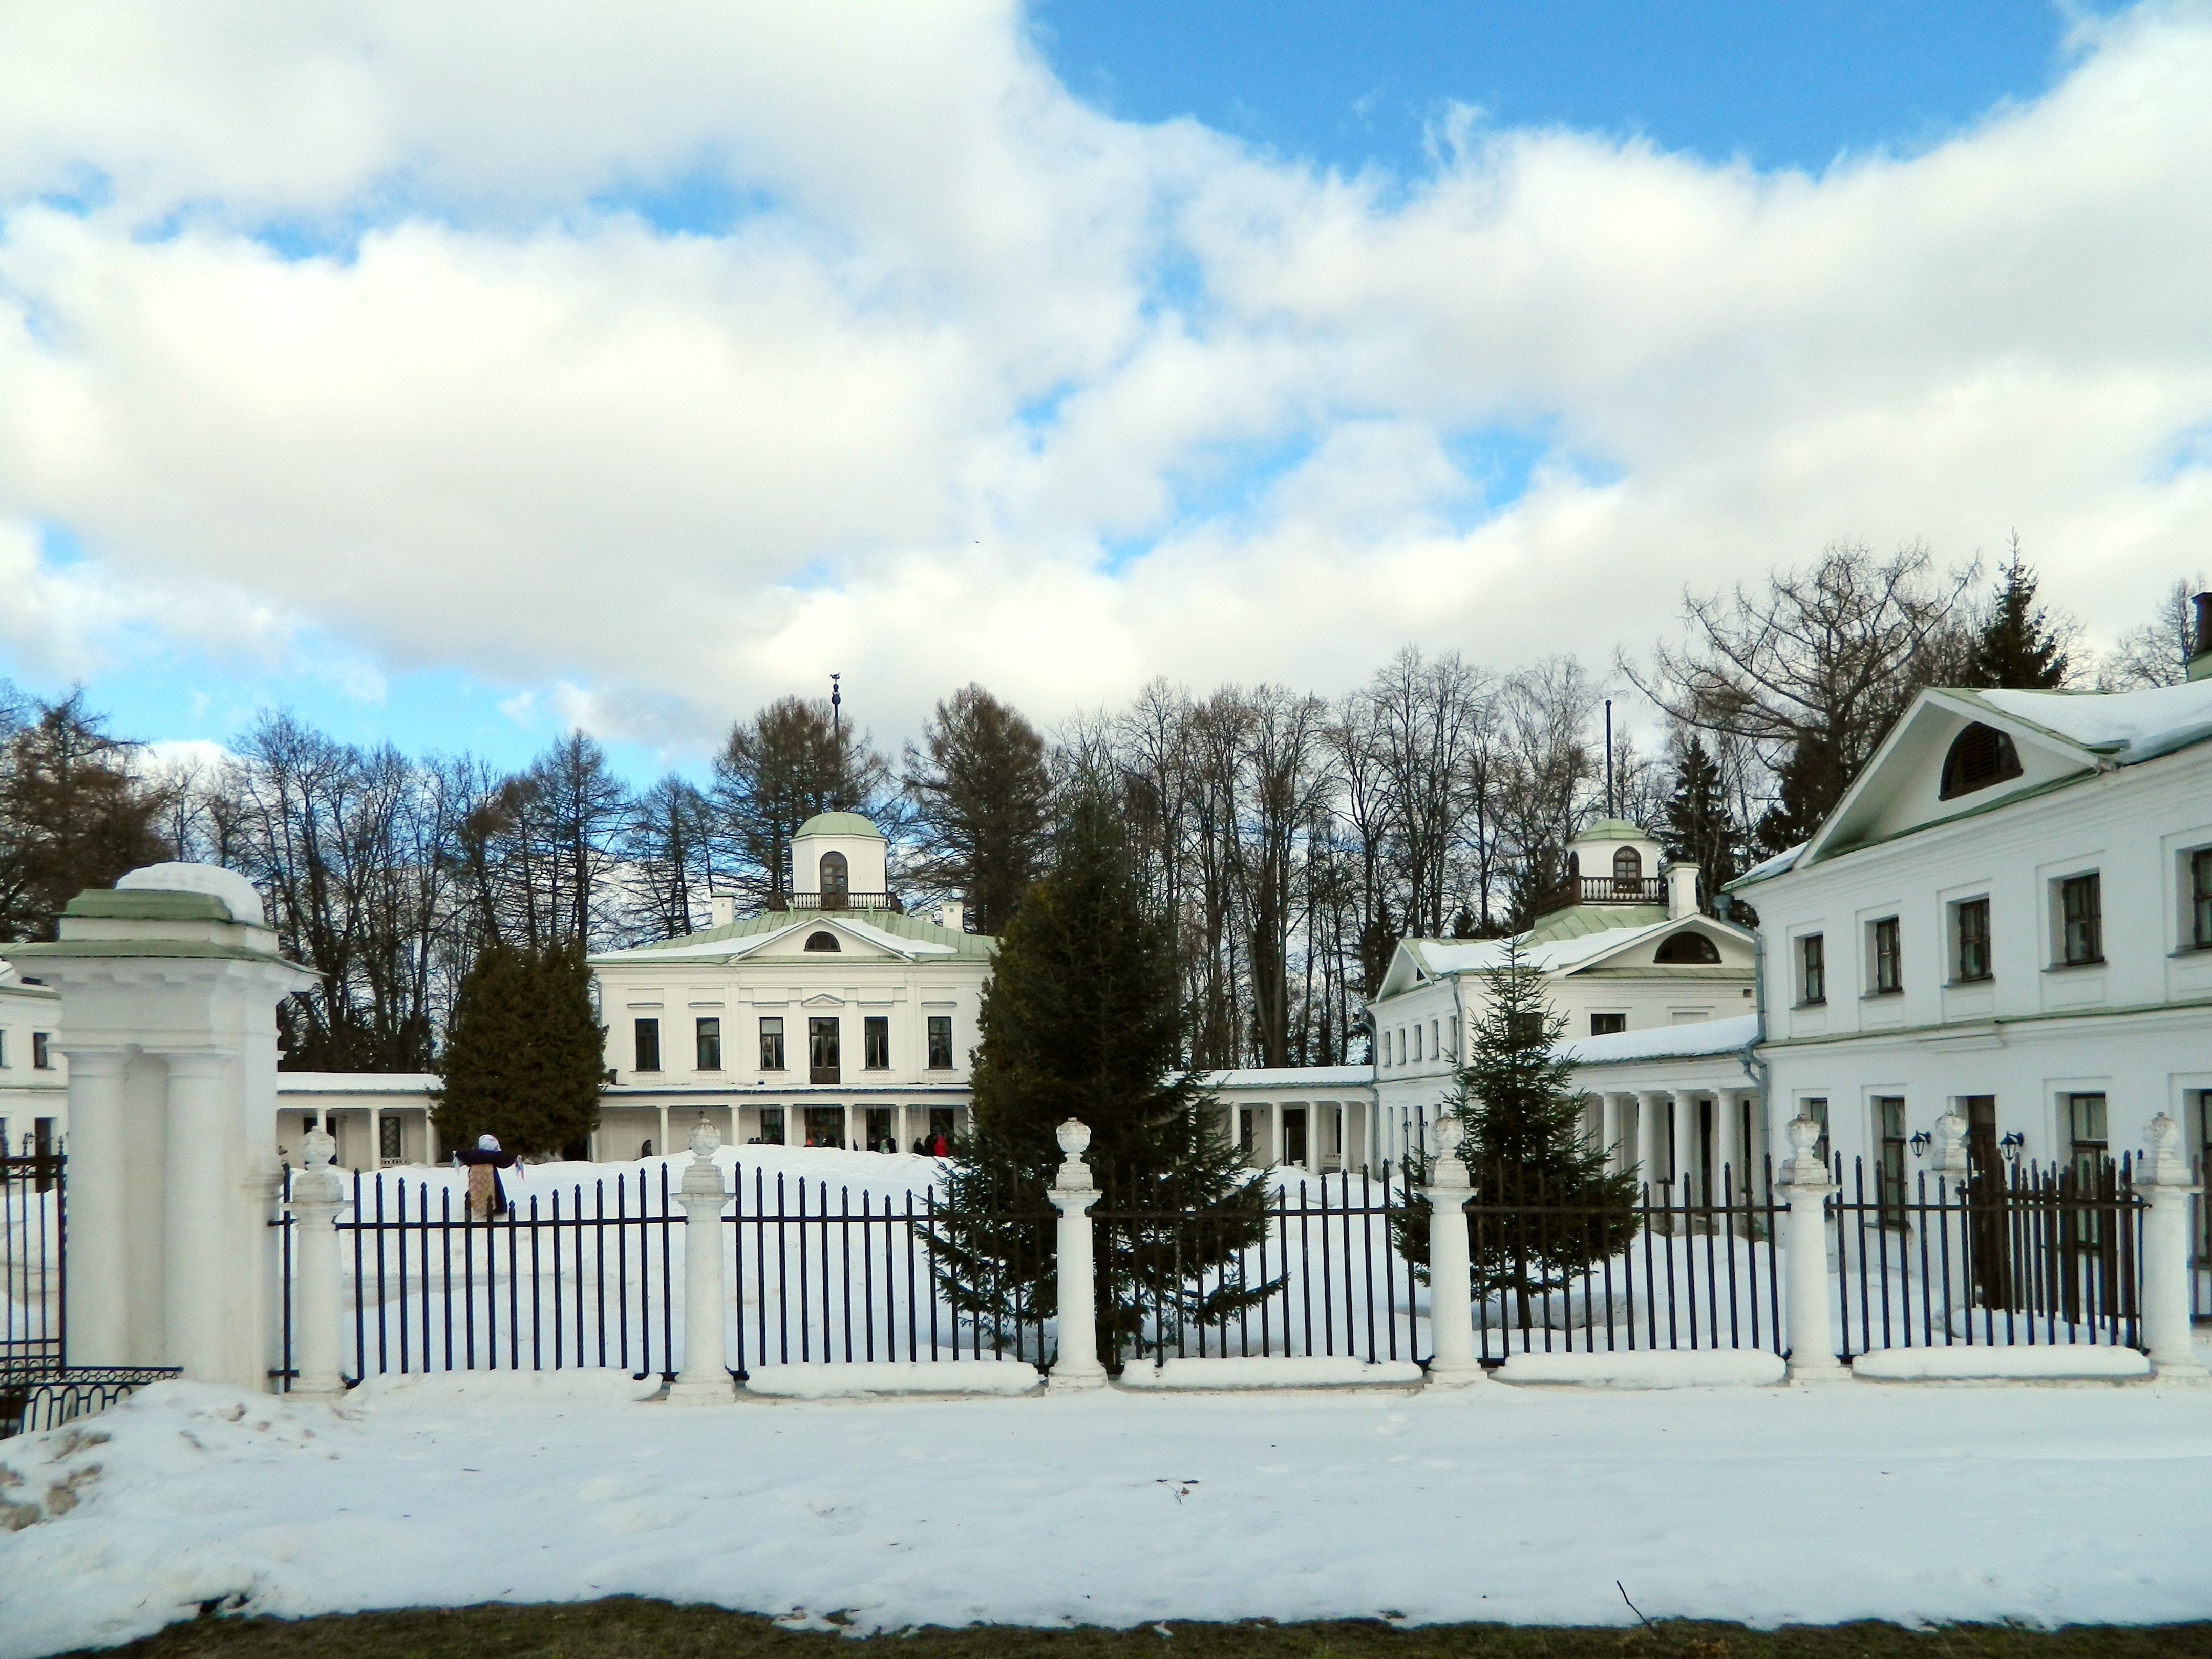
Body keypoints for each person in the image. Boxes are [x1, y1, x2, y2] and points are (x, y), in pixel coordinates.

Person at [453, 1133, 523, 1220]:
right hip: (490, 1175)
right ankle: (497, 1206)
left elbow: (464, 1157)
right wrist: (513, 1158)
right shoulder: (493, 1157)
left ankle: (479, 1205)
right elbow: (503, 1160)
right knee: (494, 1190)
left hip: (476, 1175)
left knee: (478, 1189)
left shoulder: (472, 1155)